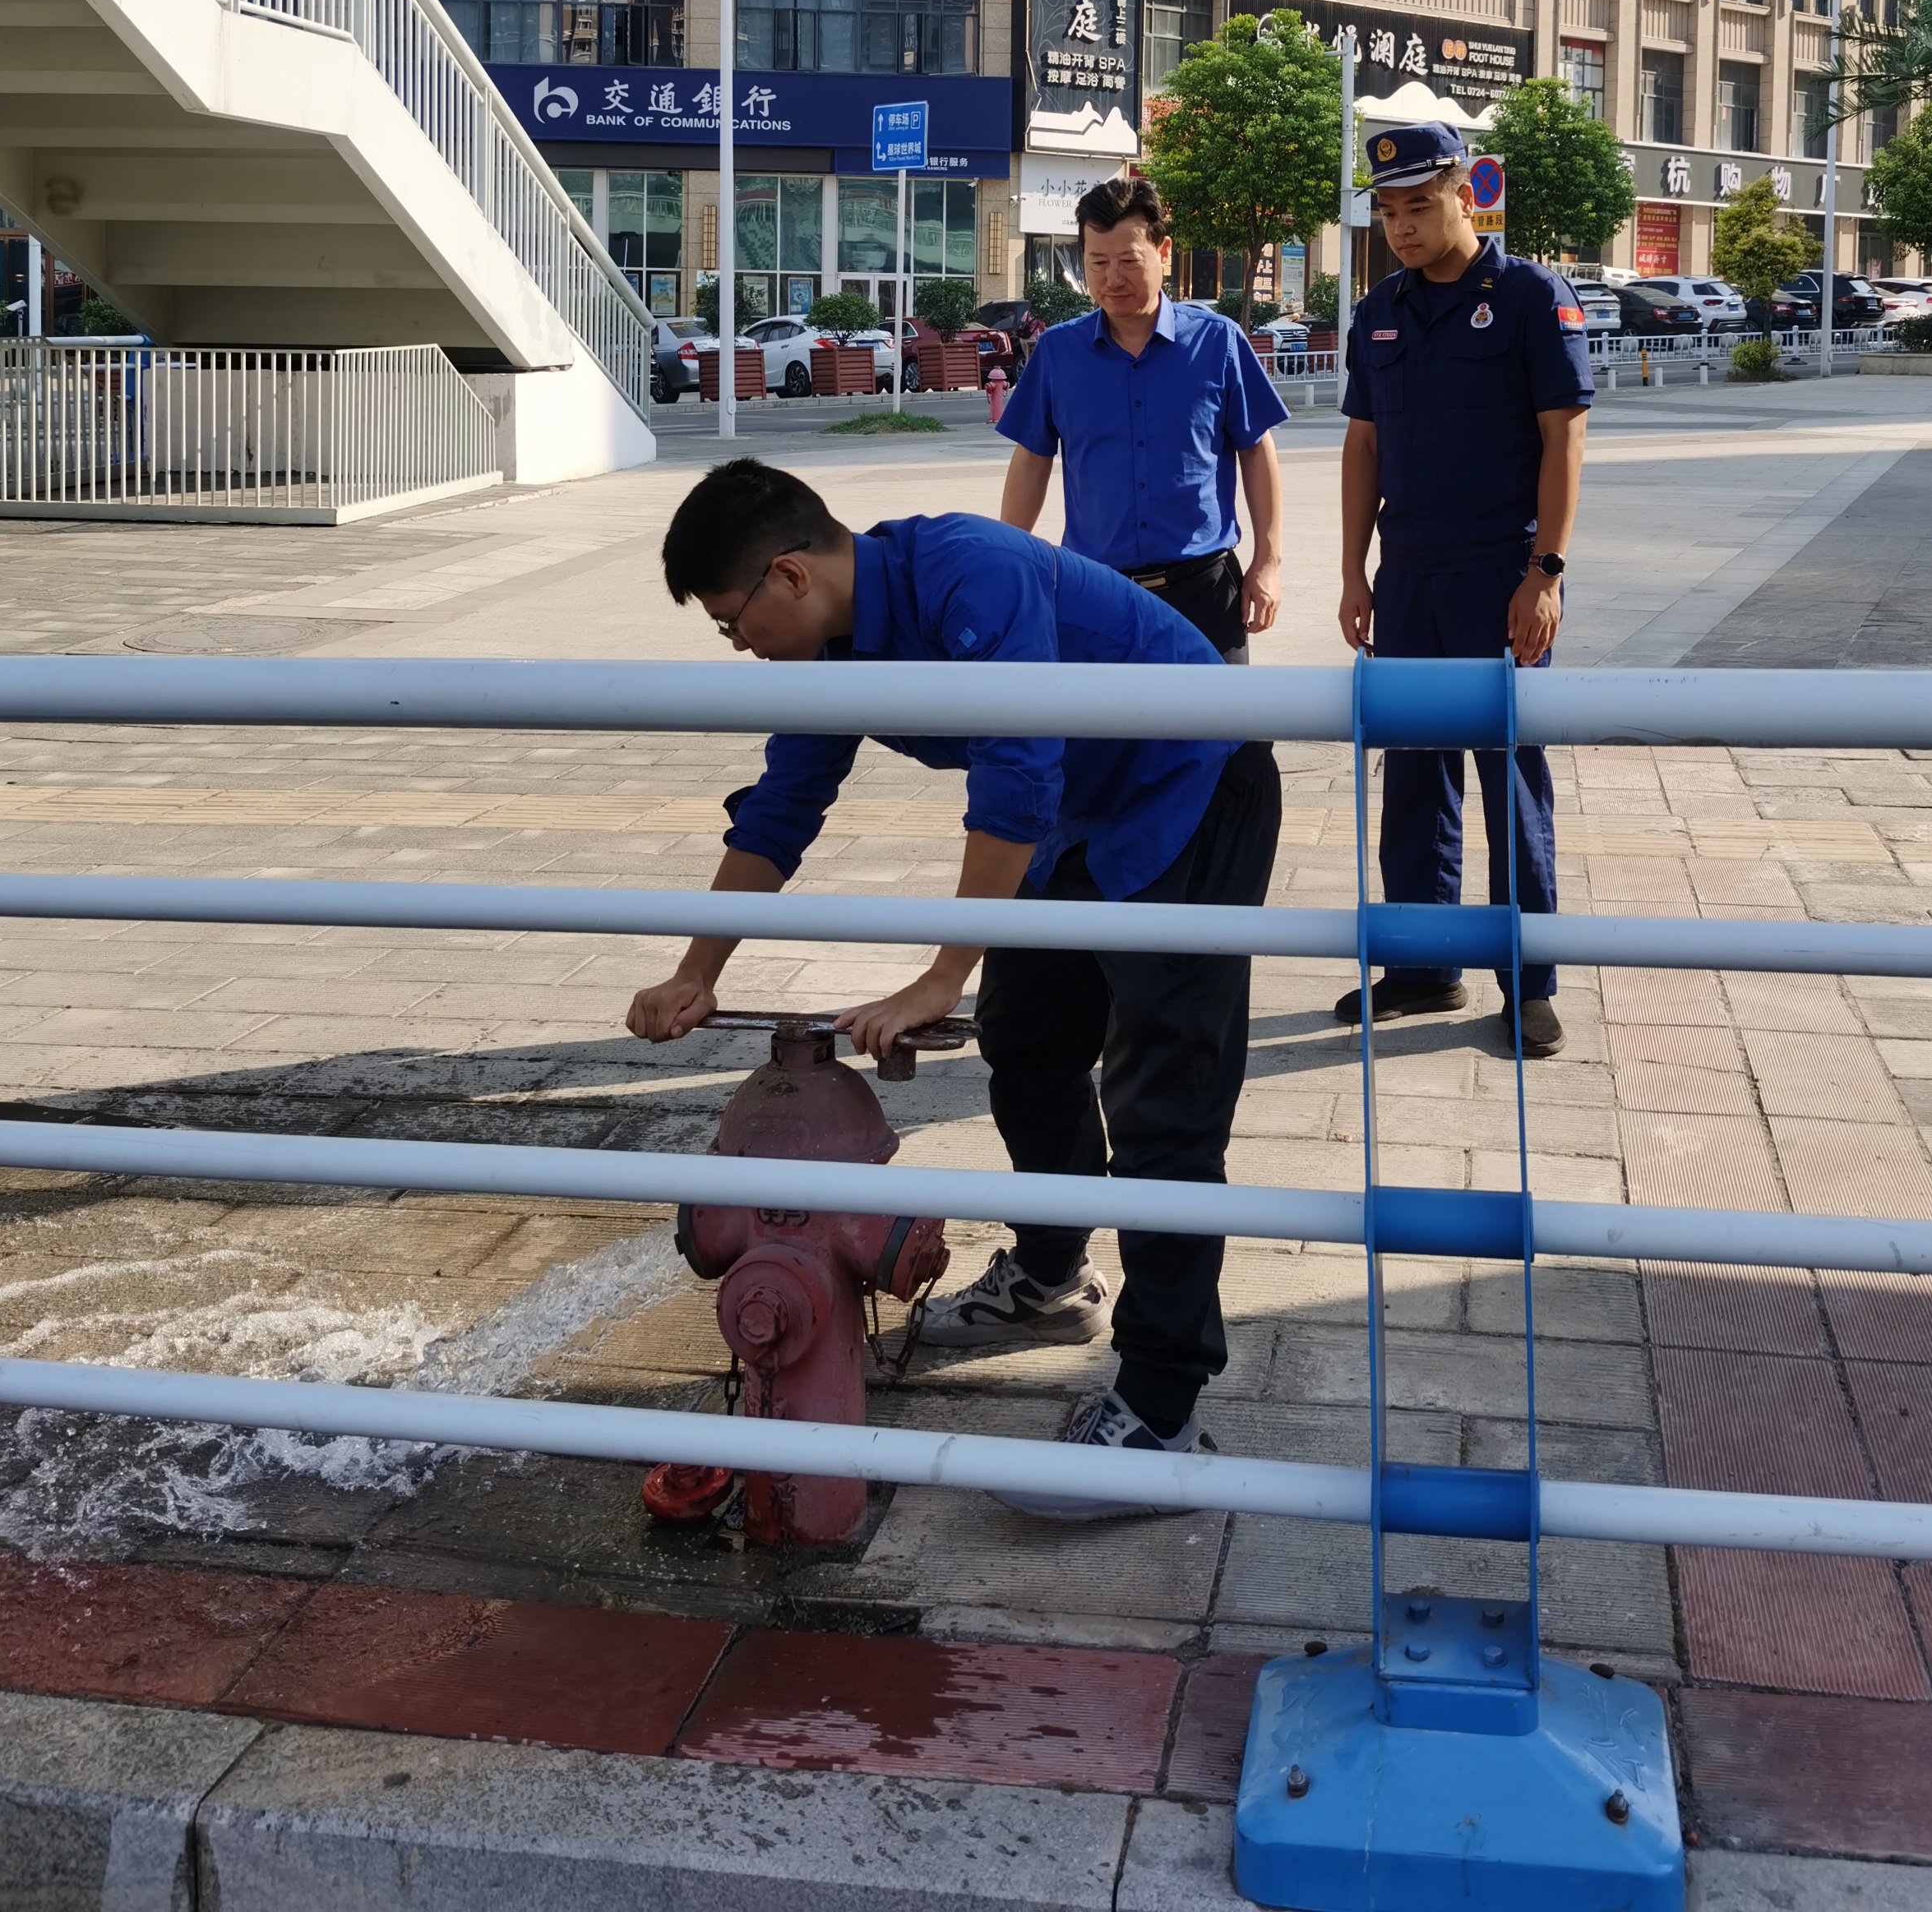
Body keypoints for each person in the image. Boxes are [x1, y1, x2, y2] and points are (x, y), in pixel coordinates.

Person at [627, 458, 1281, 1514]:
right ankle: (1052, 1278)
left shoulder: (969, 572)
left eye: (732, 625)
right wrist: (693, 974)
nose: (740, 648)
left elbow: (1017, 773)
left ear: (789, 576)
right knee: (1026, 1039)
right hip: (1080, 816)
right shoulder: (834, 651)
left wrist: (941, 976)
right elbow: (783, 808)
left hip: (1190, 786)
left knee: (1165, 1102)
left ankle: (1163, 1413)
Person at [1336, 123, 1590, 1055]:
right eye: (1388, 213)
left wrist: (1545, 573)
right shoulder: (1380, 309)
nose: (1403, 227)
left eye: (1420, 206)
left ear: (1465, 197)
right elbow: (1364, 445)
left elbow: (1564, 437)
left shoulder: (1529, 297)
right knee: (1411, 777)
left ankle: (1528, 982)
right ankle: (1420, 968)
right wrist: (1352, 571)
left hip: (1501, 576)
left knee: (1509, 780)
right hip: (1407, 578)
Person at [997, 173, 1288, 660]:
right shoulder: (1058, 353)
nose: (1113, 278)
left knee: (1226, 714)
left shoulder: (1217, 343)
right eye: (1098, 262)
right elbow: (1031, 462)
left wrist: (1268, 562)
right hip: (1096, 595)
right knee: (1100, 714)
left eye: (1129, 261)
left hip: (1205, 591)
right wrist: (1007, 563)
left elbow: (1257, 451)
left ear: (1163, 252)